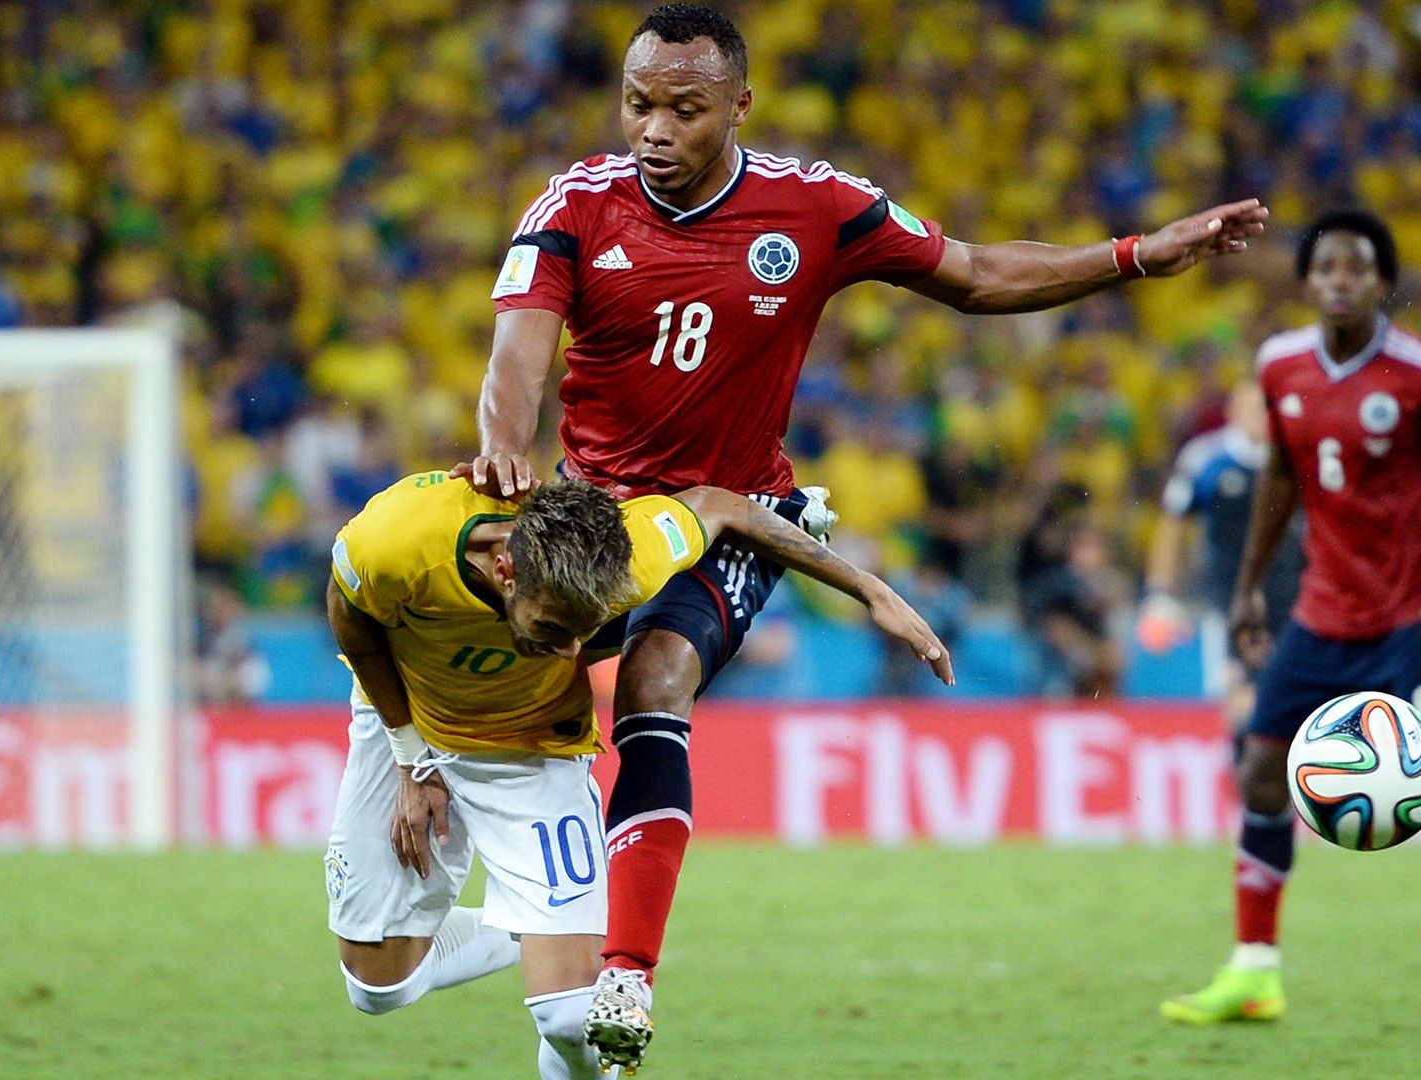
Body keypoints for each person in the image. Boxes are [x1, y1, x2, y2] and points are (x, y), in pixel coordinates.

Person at [457, 5, 1268, 1069]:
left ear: (737, 106)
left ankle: (627, 978)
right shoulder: (577, 204)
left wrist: (1130, 256)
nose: (653, 129)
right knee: (514, 697)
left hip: (736, 520)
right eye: (638, 103)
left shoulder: (816, 207)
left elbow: (974, 275)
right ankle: (473, 903)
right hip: (595, 516)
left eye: (683, 109)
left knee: (658, 681)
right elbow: (517, 356)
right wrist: (509, 450)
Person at [324, 470, 950, 1080]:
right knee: (379, 988)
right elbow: (349, 613)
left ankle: (556, 926)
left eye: (583, 633)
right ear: (506, 570)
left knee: (577, 1026)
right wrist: (412, 758)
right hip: (404, 717)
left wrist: (870, 590)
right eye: (552, 628)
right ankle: (539, 926)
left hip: (533, 751)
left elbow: (721, 506)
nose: (571, 654)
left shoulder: (633, 549)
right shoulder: (397, 538)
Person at [1161, 210, 1421, 1030]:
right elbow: (1281, 483)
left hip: (1416, 612)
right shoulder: (1280, 367)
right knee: (1263, 773)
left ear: (1381, 284)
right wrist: (1246, 591)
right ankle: (1254, 972)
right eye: (1327, 268)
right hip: (1320, 611)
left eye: (1357, 268)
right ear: (1307, 283)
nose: (1340, 279)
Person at [1138, 381, 1303, 750]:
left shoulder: (1296, 455)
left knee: (1295, 706)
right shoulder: (1205, 458)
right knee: (1239, 707)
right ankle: (1251, 801)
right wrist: (1159, 592)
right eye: (1250, 409)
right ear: (1231, 413)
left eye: (1266, 409)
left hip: (1293, 599)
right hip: (1228, 601)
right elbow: (1173, 526)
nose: (1260, 417)